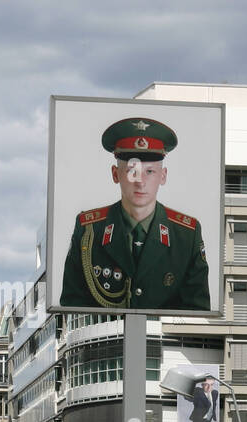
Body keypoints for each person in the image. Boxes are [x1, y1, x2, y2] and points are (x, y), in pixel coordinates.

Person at [59, 117, 210, 311]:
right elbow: (72, 306)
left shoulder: (186, 234)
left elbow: (198, 313)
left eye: (149, 172)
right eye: (132, 171)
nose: (140, 182)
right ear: (115, 174)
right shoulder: (89, 229)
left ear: (163, 176)